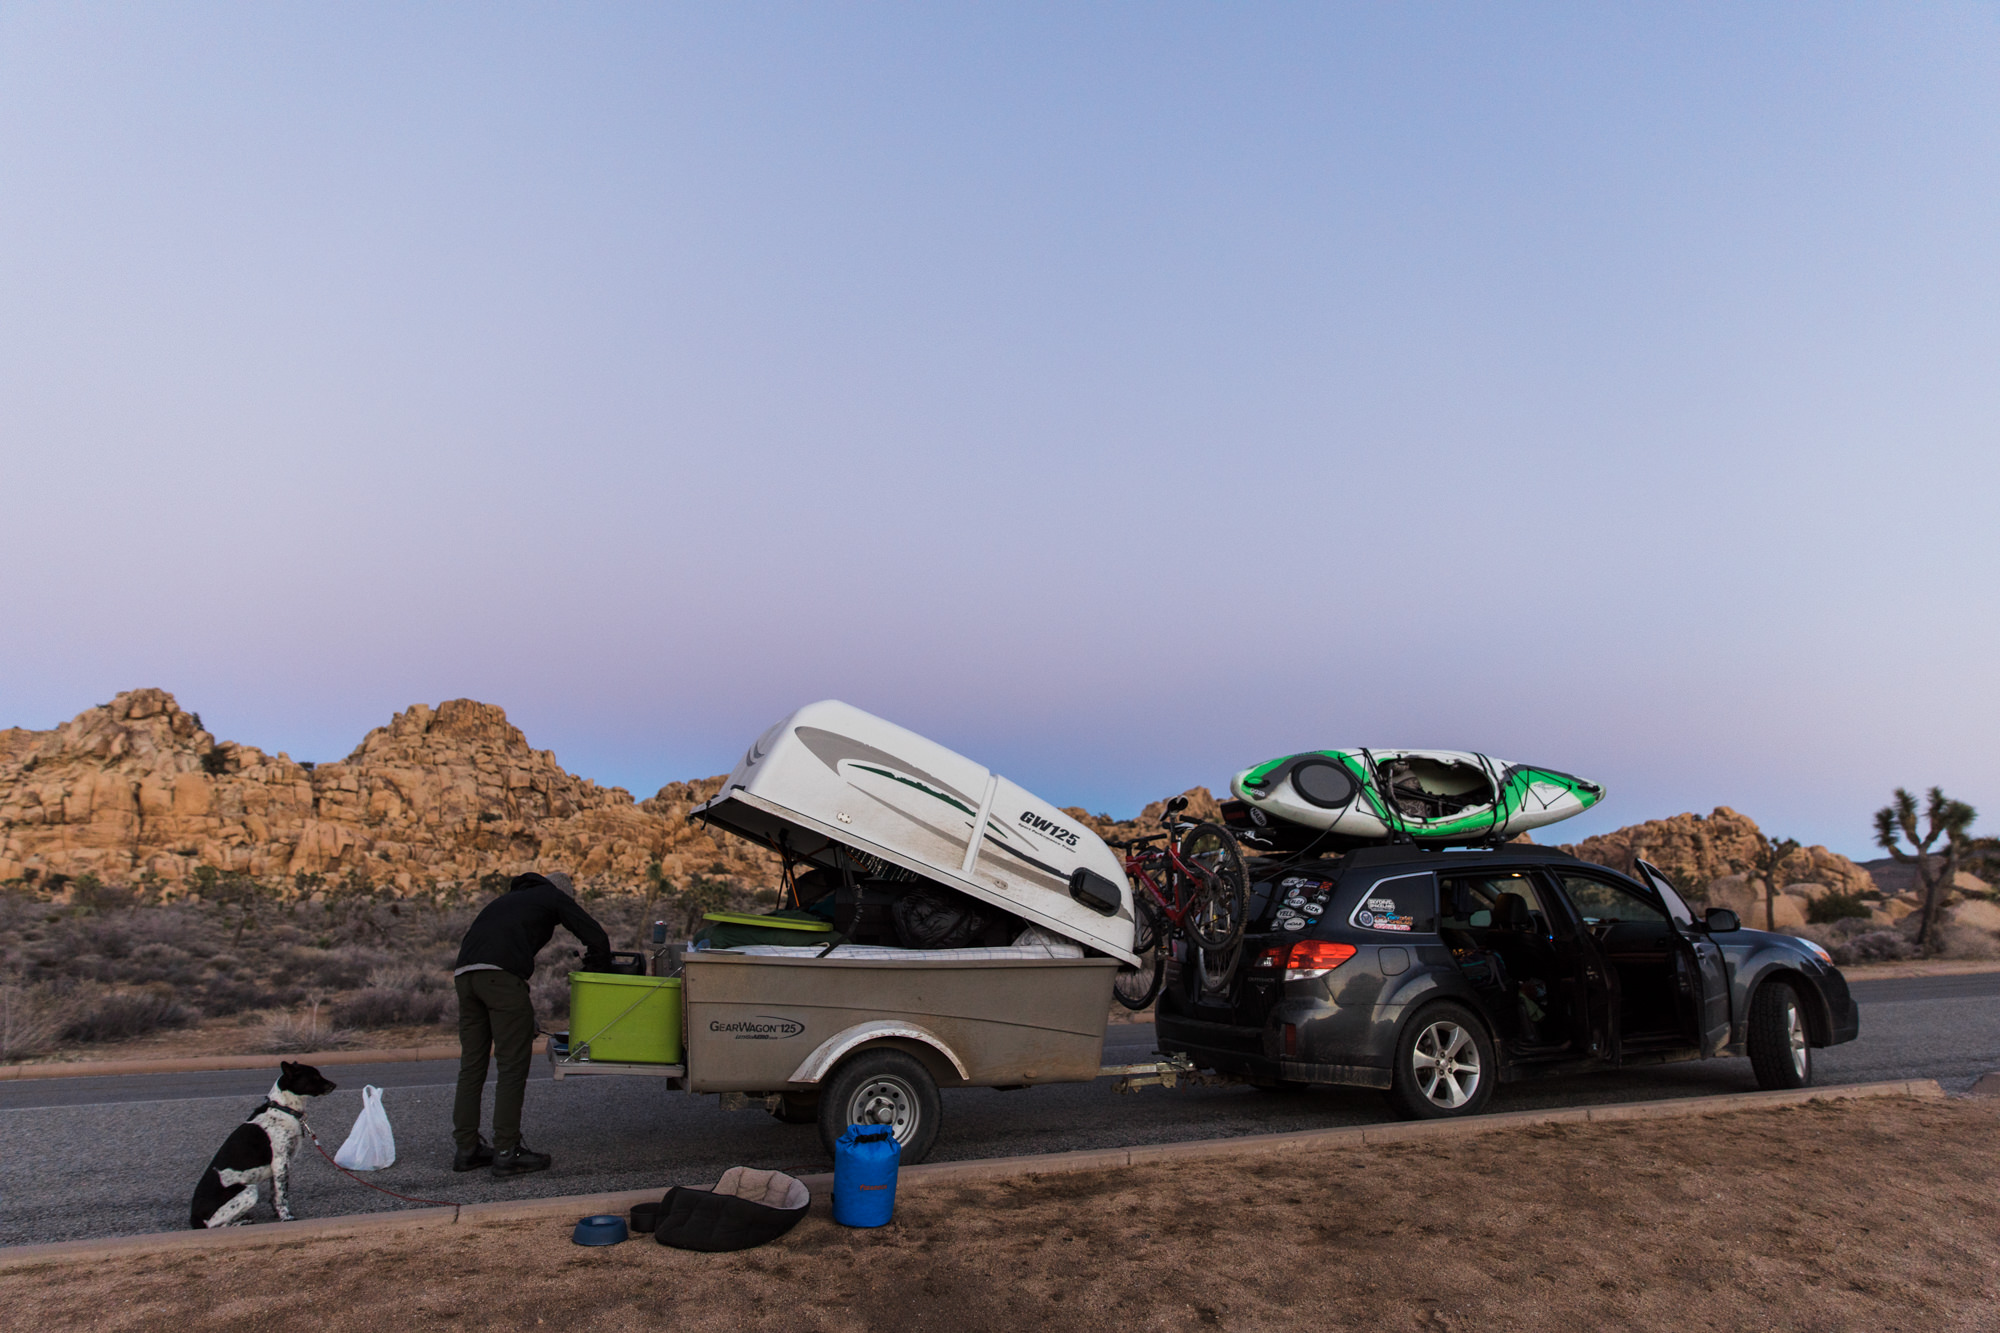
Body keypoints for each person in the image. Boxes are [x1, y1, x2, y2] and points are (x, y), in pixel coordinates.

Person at [452, 870, 611, 1178]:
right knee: (511, 1068)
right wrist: (599, 971)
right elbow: (595, 935)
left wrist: (521, 1013)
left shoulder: (508, 899)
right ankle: (506, 1152)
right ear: (562, 892)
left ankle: (467, 1149)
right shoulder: (552, 896)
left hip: (465, 977)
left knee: (471, 1067)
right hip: (501, 978)